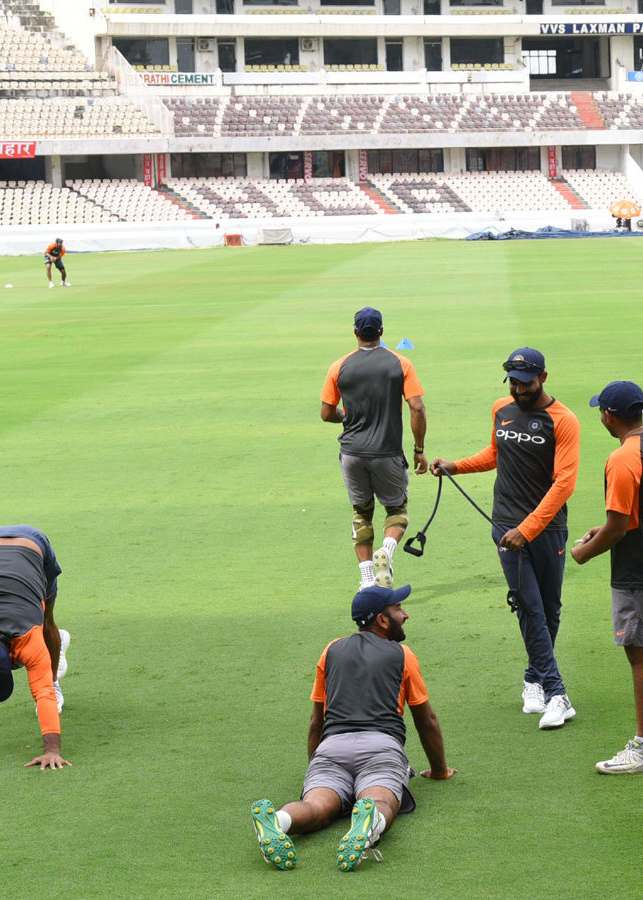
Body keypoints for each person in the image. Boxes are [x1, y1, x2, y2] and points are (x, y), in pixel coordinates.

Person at [250, 584, 454, 872]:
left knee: (317, 808)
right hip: (381, 748)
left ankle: (279, 821)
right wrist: (439, 770)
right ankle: (370, 823)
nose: (405, 614)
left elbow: (316, 722)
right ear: (382, 620)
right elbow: (426, 720)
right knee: (380, 799)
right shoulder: (402, 654)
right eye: (398, 609)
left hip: (331, 749)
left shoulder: (331, 650)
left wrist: (316, 770)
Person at [430, 347, 580, 730]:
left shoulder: (563, 421)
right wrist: (456, 466)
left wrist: (527, 528)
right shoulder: (502, 408)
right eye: (513, 382)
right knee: (528, 606)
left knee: (549, 608)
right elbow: (497, 453)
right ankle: (557, 693)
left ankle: (533, 680)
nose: (518, 389)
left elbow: (564, 484)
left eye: (525, 383)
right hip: (504, 527)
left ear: (543, 378)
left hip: (547, 529)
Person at [571, 381, 643, 774]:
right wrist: (599, 532)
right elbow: (632, 515)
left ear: (608, 416)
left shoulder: (620, 459)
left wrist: (584, 551)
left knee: (639, 652)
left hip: (638, 567)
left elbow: (619, 527)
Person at [321, 307, 427, 591]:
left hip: (352, 454)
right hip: (387, 453)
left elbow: (326, 413)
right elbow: (417, 407)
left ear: (355, 332)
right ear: (381, 332)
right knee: (396, 509)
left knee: (361, 513)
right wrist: (419, 449)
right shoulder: (400, 363)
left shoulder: (339, 366)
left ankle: (367, 579)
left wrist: (347, 416)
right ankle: (387, 551)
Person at [0, 526, 70, 769]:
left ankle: (55, 671)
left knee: (46, 620)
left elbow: (43, 692)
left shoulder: (28, 636)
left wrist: (52, 750)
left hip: (34, 547)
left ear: (11, 654)